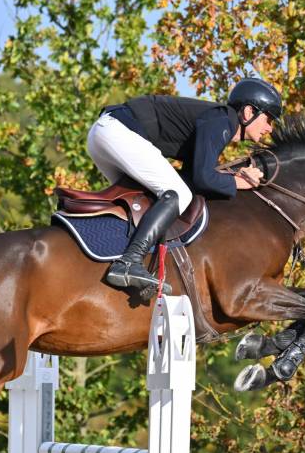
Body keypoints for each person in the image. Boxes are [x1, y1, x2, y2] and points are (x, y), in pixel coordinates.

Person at [86, 77, 283, 294]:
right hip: (118, 131)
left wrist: (233, 176)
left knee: (149, 200)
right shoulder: (223, 120)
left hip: (104, 133)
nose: (269, 129)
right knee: (176, 194)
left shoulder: (219, 122)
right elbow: (202, 179)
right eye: (268, 119)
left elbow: (193, 179)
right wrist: (237, 181)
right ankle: (129, 262)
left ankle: (120, 261)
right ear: (248, 112)